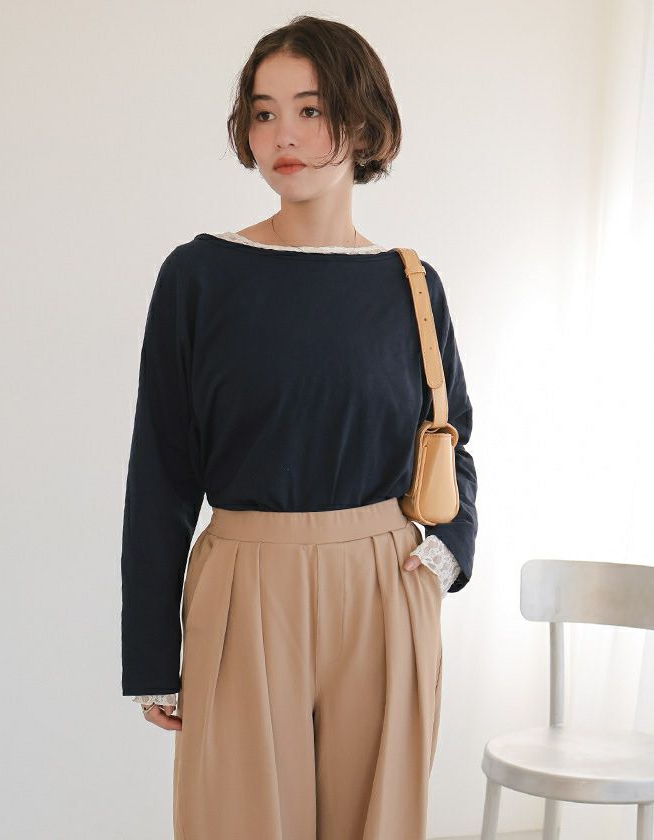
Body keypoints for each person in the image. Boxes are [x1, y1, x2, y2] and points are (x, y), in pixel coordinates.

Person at [120, 14, 478, 840]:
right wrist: (151, 653)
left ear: (365, 124)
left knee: (378, 822)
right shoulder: (199, 276)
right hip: (245, 584)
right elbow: (162, 470)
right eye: (264, 112)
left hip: (386, 583)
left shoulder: (412, 284)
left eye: (311, 110)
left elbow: (453, 437)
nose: (283, 134)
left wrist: (451, 551)